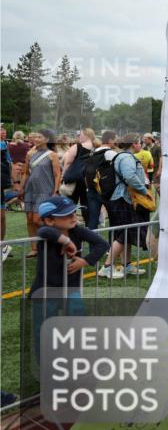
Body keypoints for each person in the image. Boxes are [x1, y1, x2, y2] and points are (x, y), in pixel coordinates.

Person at [30, 195, 109, 360]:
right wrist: (66, 241)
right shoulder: (46, 233)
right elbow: (43, 230)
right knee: (44, 329)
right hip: (45, 291)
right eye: (67, 215)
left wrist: (85, 261)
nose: (74, 217)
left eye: (74, 213)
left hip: (71, 288)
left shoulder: (77, 230)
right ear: (50, 220)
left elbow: (102, 244)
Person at [97, 134, 148, 278]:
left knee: (126, 233)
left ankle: (127, 265)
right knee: (123, 234)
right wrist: (144, 191)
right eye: (139, 142)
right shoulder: (126, 158)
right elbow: (129, 176)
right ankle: (107, 267)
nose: (141, 145)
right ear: (134, 144)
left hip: (121, 198)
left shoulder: (123, 156)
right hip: (123, 199)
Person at [22, 130, 62, 258]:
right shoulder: (30, 154)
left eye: (39, 137)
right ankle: (35, 249)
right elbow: (26, 172)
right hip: (30, 190)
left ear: (47, 139)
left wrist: (56, 191)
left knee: (38, 219)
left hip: (45, 191)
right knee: (29, 220)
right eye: (35, 137)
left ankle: (56, 240)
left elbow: (57, 175)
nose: (36, 139)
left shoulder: (52, 155)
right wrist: (21, 188)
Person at [61, 128, 95, 224]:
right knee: (87, 203)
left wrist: (64, 175)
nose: (78, 137)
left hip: (75, 179)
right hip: (89, 179)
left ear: (86, 135)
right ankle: (89, 225)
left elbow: (68, 163)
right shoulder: (96, 147)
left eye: (80, 135)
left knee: (71, 202)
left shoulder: (77, 147)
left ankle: (69, 223)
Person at [84, 131, 116, 231]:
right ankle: (112, 240)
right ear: (110, 140)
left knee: (93, 220)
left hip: (92, 189)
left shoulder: (92, 152)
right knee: (113, 219)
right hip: (107, 191)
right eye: (114, 140)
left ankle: (92, 241)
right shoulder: (111, 153)